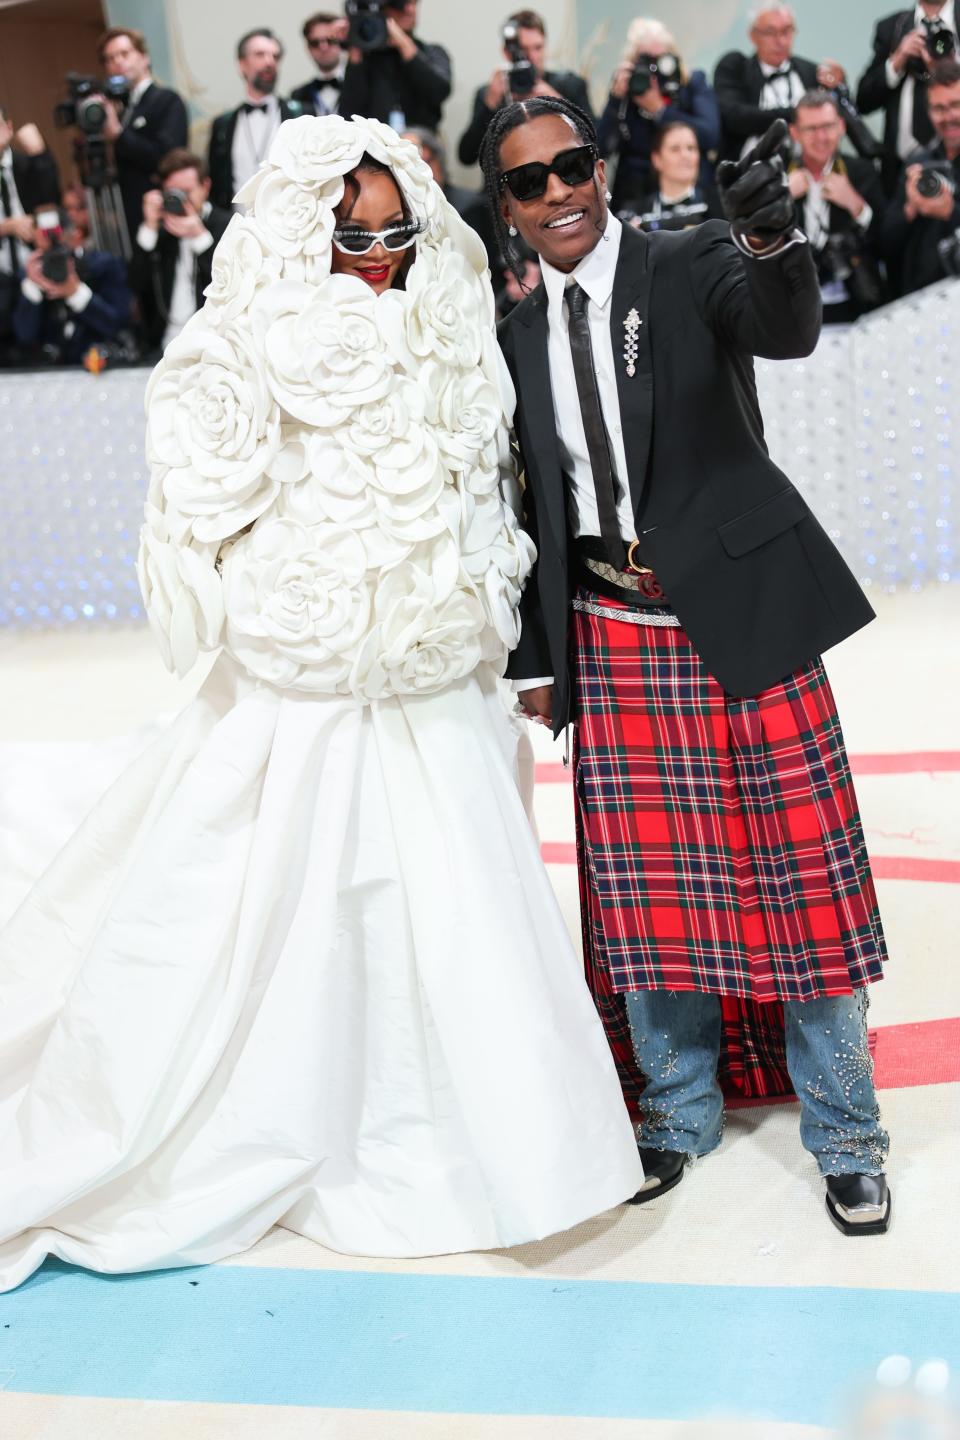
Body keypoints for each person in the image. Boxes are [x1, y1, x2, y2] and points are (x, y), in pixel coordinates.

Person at [0, 114, 643, 1293]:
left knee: (458, 894)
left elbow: (485, 478)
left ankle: (499, 1136)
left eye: (399, 230)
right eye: (355, 239)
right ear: (303, 232)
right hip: (310, 664)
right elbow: (207, 493)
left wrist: (473, 592)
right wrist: (291, 588)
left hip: (436, 665)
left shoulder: (455, 324)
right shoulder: (243, 335)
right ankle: (296, 1112)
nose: (383, 255)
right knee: (281, 894)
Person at [482, 95, 892, 1234]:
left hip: (743, 613)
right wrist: (538, 657)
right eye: (529, 180)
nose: (558, 191)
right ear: (506, 207)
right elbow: (537, 505)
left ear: (601, 169)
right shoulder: (514, 337)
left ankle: (847, 1134)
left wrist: (773, 236)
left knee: (802, 883)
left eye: (571, 166)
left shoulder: (689, 259)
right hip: (611, 635)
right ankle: (672, 1112)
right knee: (646, 899)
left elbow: (784, 325)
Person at [596, 18, 720, 215]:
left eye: (661, 60)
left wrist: (660, 110)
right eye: (645, 61)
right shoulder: (626, 93)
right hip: (635, 194)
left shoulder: (691, 83)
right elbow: (601, 148)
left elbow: (710, 135)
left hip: (690, 191)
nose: (653, 71)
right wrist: (616, 99)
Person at [788, 90, 887, 321]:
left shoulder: (862, 172)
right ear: (794, 133)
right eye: (811, 129)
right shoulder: (779, 177)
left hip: (858, 300)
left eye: (828, 126)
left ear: (841, 126)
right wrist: (781, 199)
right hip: (795, 309)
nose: (822, 137)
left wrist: (857, 205)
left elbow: (888, 241)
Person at [458, 9, 593, 169]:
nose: (533, 57)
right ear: (507, 53)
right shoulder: (489, 94)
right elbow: (466, 156)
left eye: (538, 47)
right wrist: (489, 104)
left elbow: (597, 144)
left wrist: (560, 106)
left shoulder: (569, 85)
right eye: (524, 50)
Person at [130, 148, 232, 354]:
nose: (181, 201)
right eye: (173, 194)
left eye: (186, 192)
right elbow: (136, 284)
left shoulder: (228, 226)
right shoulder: (160, 230)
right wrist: (149, 227)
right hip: (163, 346)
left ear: (205, 186)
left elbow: (230, 288)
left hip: (212, 346)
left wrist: (200, 237)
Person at [97, 27, 189, 249]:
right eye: (110, 59)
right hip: (131, 219)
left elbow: (168, 158)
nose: (118, 62)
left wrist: (119, 135)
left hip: (164, 218)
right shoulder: (121, 109)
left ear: (144, 57)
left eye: (124, 53)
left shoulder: (166, 100)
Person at [714, 5, 842, 162]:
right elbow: (735, 117)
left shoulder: (812, 72)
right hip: (749, 172)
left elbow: (834, 118)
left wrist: (841, 86)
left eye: (787, 31)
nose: (781, 40)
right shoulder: (737, 68)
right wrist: (798, 114)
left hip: (809, 169)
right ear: (753, 36)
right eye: (770, 32)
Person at [856, 1, 960, 193]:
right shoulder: (893, 27)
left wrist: (947, 72)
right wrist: (897, 60)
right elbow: (863, 101)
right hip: (899, 173)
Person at [12, 203, 132, 364]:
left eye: (57, 246)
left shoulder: (104, 266)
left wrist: (75, 292)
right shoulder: (27, 275)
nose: (52, 255)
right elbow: (23, 338)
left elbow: (119, 325)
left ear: (74, 234)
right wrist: (33, 288)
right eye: (42, 246)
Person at [881, 59, 960, 293]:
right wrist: (910, 208)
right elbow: (886, 243)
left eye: (956, 104)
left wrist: (950, 213)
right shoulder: (917, 163)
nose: (948, 116)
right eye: (939, 108)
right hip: (920, 297)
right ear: (928, 112)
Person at [208, 29, 297, 211]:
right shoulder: (222, 125)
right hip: (238, 226)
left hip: (290, 225)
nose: (270, 62)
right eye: (260, 54)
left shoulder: (299, 116)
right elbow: (218, 185)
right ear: (242, 64)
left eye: (275, 56)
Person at [339, 0, 452, 133]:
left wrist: (403, 43)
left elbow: (439, 91)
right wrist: (355, 41)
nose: (410, 10)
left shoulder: (432, 52)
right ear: (380, 10)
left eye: (414, 4)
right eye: (400, 4)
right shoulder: (367, 59)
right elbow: (349, 112)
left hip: (421, 144)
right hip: (374, 146)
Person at [0, 106, 59, 358]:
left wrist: (40, 154)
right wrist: (8, 227)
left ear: (9, 127)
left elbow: (53, 204)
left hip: (35, 269)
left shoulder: (32, 164)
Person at [623, 119, 724, 233]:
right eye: (675, 149)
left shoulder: (721, 204)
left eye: (691, 148)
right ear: (657, 159)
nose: (685, 155)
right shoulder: (636, 213)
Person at [290, 11, 349, 117]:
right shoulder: (297, 95)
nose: (323, 47)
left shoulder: (360, 87)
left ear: (341, 42)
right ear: (308, 48)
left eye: (330, 40)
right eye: (315, 43)